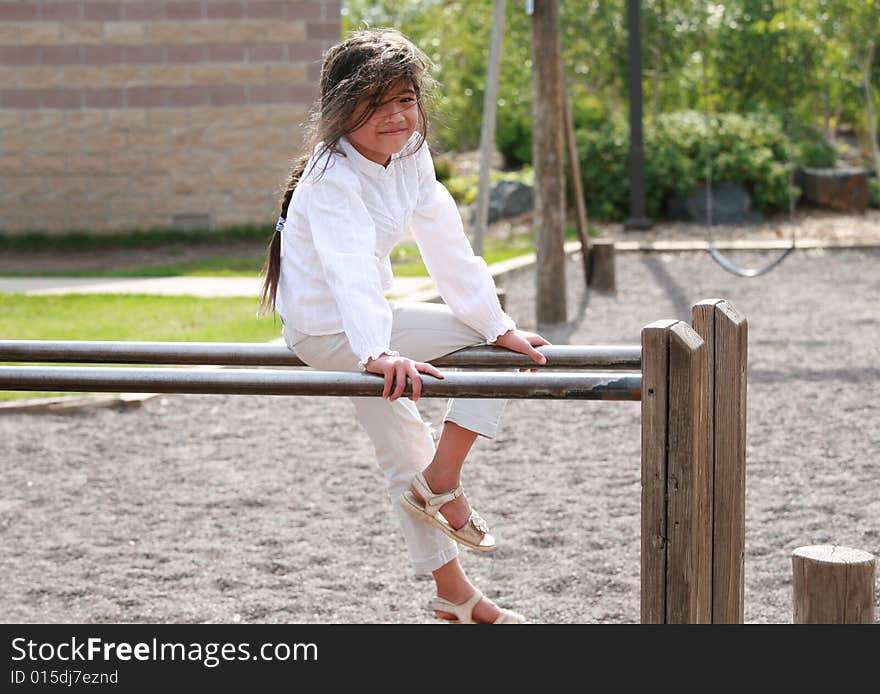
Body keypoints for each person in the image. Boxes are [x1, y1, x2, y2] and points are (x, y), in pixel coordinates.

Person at [259, 28, 550, 624]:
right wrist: (378, 352)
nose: (396, 115)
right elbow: (347, 270)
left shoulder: (410, 155)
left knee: (417, 440)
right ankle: (441, 486)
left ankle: (454, 595)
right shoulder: (330, 178)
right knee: (479, 359)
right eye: (376, 102)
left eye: (406, 99)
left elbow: (446, 241)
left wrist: (498, 323)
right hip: (330, 331)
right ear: (341, 109)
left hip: (369, 326)